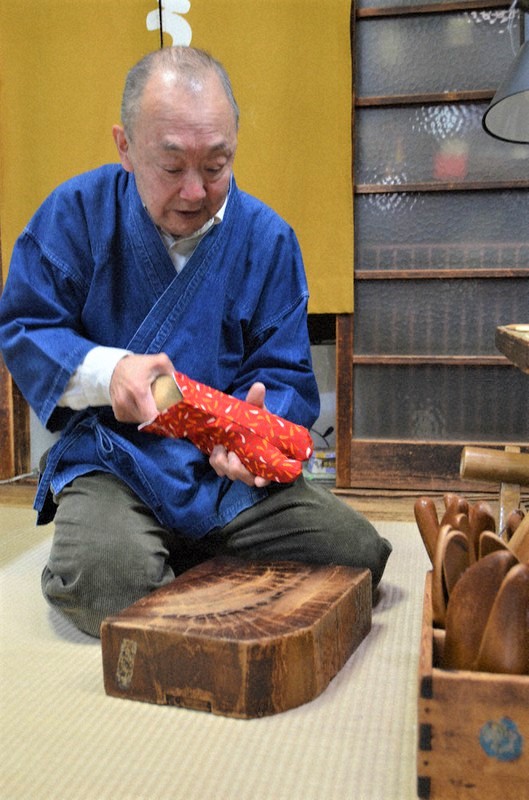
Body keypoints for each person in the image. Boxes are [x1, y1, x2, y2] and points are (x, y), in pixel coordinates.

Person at [0, 47, 391, 637]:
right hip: (116, 460)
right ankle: (142, 550)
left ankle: (169, 559)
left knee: (358, 556)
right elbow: (26, 328)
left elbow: (285, 375)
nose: (194, 191)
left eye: (216, 165)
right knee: (103, 581)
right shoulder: (74, 214)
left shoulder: (268, 238)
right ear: (125, 147)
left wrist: (256, 430)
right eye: (172, 165)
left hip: (223, 477)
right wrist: (110, 373)